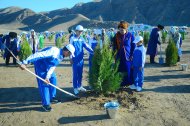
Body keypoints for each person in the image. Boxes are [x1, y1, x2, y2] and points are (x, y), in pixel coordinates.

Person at [19, 44, 75, 112]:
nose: (69, 56)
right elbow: (38, 55)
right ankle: (45, 104)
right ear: (66, 51)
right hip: (40, 66)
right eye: (69, 54)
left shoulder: (61, 56)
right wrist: (25, 62)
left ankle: (52, 97)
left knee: (53, 79)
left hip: (48, 67)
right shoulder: (54, 51)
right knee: (44, 84)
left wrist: (47, 77)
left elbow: (52, 66)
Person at [69, 25, 93, 95]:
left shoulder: (82, 39)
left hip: (81, 59)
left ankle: (79, 86)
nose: (80, 33)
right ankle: (75, 87)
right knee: (75, 74)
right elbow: (70, 48)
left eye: (81, 31)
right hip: (74, 59)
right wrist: (70, 58)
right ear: (76, 31)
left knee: (80, 74)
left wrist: (93, 51)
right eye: (79, 31)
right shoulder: (72, 38)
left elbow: (87, 46)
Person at [112, 21, 135, 87]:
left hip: (128, 56)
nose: (121, 31)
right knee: (119, 69)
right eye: (120, 29)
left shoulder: (130, 35)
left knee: (128, 69)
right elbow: (114, 46)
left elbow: (133, 46)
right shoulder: (116, 36)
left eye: (123, 30)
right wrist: (114, 54)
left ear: (126, 29)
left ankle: (129, 83)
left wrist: (132, 55)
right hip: (119, 55)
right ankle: (120, 83)